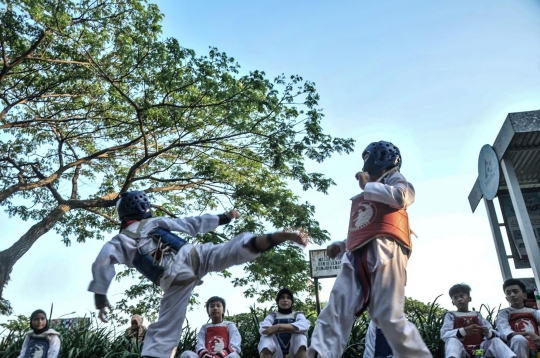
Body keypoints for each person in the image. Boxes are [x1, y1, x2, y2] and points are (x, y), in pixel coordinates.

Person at [88, 190, 308, 358]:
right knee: (231, 250)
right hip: (195, 255)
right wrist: (224, 218)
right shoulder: (153, 222)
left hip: (174, 281)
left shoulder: (118, 241)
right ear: (144, 208)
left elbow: (102, 262)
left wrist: (100, 295)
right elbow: (190, 224)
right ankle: (269, 238)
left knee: (163, 332)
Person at [307, 141, 431, 358]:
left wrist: (368, 186)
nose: (365, 164)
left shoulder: (395, 179)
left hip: (387, 250)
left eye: (367, 158)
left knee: (387, 317)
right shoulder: (366, 194)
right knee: (334, 311)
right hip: (356, 254)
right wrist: (341, 244)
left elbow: (403, 196)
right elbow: (364, 227)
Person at [441, 283, 516, 358]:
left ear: (469, 299)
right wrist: (464, 331)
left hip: (479, 351)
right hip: (462, 351)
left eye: (462, 296)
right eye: (455, 298)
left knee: (495, 340)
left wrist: (488, 333)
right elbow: (444, 334)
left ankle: (511, 357)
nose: (459, 299)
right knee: (452, 341)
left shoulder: (477, 315)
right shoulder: (451, 315)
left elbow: (493, 332)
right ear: (453, 302)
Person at [258, 288, 310, 358]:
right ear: (278, 301)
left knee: (300, 336)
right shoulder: (272, 316)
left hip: (293, 353)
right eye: (282, 297)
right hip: (276, 353)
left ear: (291, 301)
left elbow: (304, 326)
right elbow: (263, 329)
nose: (285, 300)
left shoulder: (297, 315)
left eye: (288, 298)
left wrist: (278, 327)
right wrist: (291, 329)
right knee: (266, 338)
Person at [496, 278, 540, 358]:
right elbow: (506, 334)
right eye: (508, 293)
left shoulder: (533, 311)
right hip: (515, 348)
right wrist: (528, 333)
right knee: (518, 339)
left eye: (515, 291)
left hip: (535, 346)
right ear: (506, 298)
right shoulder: (504, 313)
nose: (512, 295)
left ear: (524, 295)